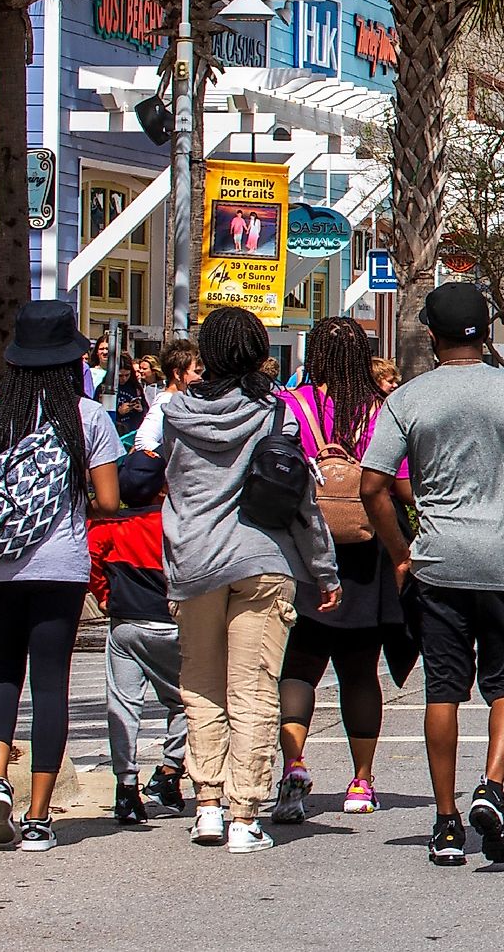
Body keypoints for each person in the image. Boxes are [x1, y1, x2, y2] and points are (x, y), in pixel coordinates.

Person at [359, 281, 504, 868]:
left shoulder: (408, 400)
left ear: (432, 335)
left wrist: (402, 552)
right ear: (485, 331)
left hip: (438, 564)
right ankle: (493, 786)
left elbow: (372, 486)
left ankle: (445, 822)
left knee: (444, 688)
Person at [156, 308, 341, 854]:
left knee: (201, 686)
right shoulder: (275, 414)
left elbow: (166, 478)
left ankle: (207, 806)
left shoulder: (173, 414)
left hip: (194, 561)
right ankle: (245, 814)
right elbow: (301, 499)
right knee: (255, 688)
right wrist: (324, 571)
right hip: (262, 560)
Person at [0, 301, 125, 851]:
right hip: (59, 570)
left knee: (1, 673)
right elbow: (109, 499)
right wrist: (61, 506)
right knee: (51, 685)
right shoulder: (86, 417)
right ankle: (40, 817)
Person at [272, 317, 406, 825]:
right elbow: (400, 484)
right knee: (359, 670)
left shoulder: (291, 405)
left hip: (304, 550)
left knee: (300, 665)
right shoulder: (381, 409)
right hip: (365, 549)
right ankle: (361, 780)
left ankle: (295, 765)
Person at [94, 340, 193, 826]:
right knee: (187, 700)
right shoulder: (179, 522)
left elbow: (95, 567)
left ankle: (125, 785)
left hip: (126, 623)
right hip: (173, 622)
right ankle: (171, 771)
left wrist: (107, 595)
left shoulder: (115, 526)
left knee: (123, 705)